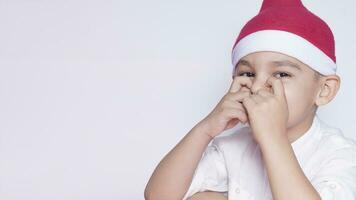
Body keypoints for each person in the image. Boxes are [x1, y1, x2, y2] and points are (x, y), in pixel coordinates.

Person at [144, 0, 356, 199]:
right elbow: (158, 196)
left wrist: (273, 137)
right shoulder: (233, 145)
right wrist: (205, 129)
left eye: (282, 74)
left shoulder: (341, 155)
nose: (256, 86)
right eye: (247, 73)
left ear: (324, 90)